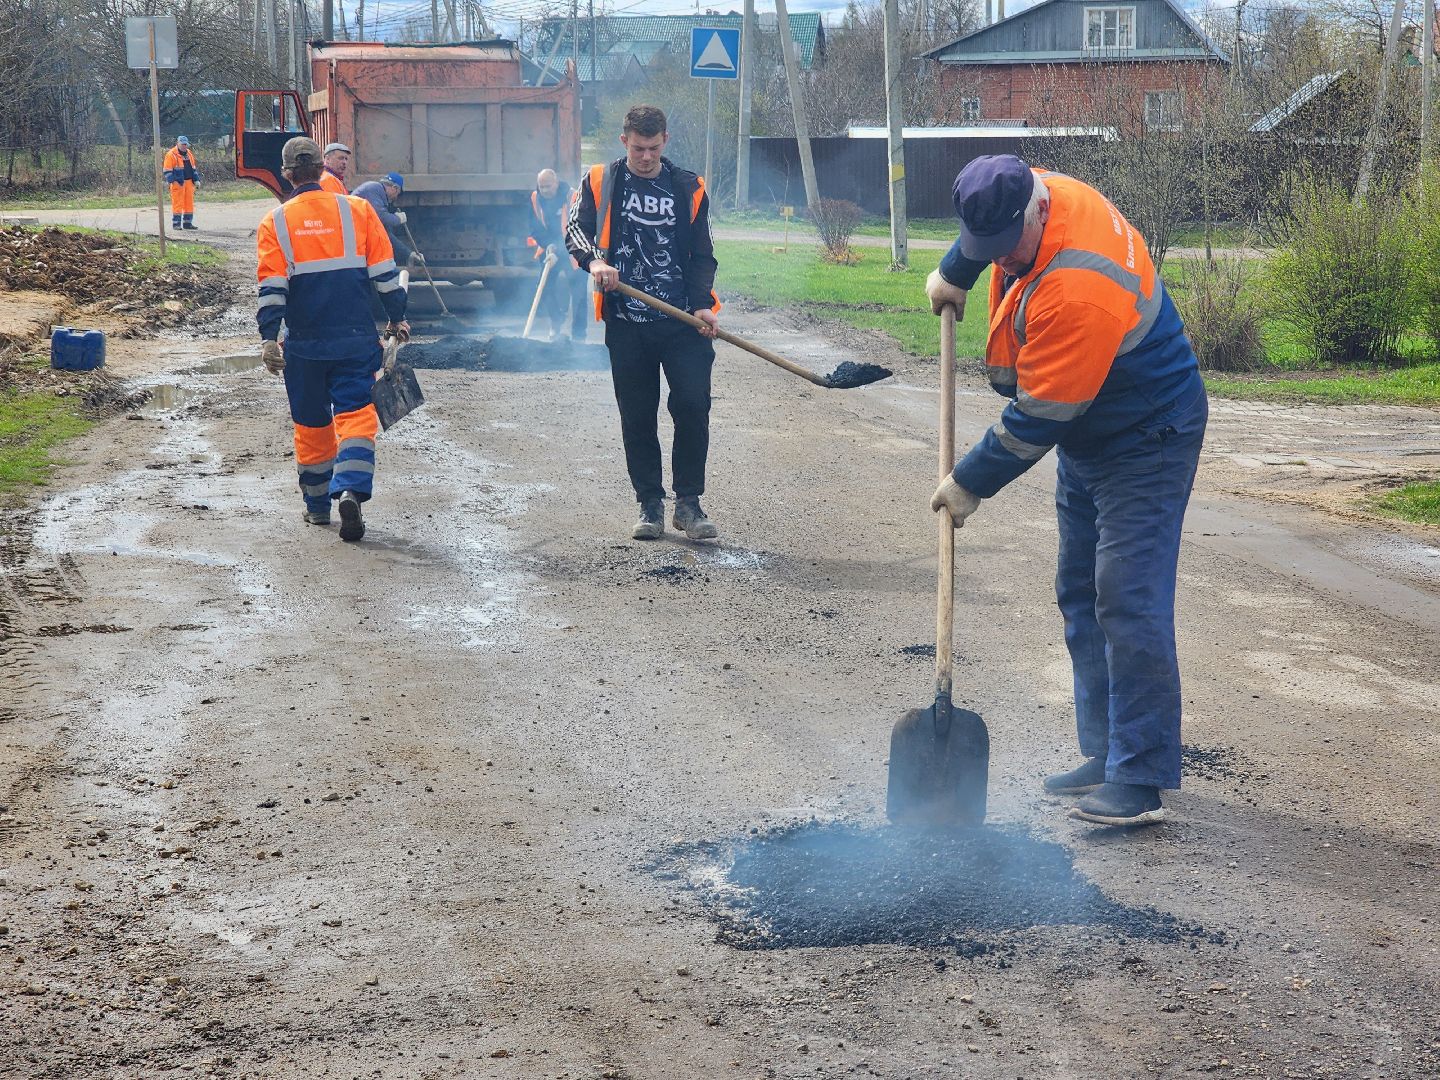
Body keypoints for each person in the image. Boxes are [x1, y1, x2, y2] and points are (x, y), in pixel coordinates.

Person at [924, 154, 1208, 828]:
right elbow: (985, 232)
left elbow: (1042, 416)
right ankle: (1107, 751)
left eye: (1004, 249)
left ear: (1036, 214)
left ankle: (1138, 778)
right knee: (1079, 588)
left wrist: (969, 482)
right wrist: (957, 270)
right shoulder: (1028, 189)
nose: (1004, 261)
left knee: (1126, 597)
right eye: (984, 249)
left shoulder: (1078, 281)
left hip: (1148, 432)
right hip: (1093, 428)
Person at [565, 104, 721, 541]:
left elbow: (703, 254)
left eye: (653, 148)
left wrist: (703, 305)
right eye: (638, 148)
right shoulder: (601, 180)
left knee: (692, 406)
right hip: (628, 322)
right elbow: (575, 229)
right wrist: (595, 261)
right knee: (637, 414)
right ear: (624, 142)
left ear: (665, 141)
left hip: (682, 323)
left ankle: (688, 505)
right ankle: (649, 503)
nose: (646, 156)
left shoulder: (689, 187)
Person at [255, 137, 409, 543]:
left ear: (287, 175)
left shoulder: (276, 222)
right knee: (356, 416)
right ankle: (350, 490)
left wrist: (269, 337)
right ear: (321, 169)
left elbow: (272, 288)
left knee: (311, 424)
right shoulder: (356, 210)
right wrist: (397, 318)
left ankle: (318, 507)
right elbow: (385, 274)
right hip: (356, 338)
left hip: (303, 345)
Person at [527, 168, 588, 341]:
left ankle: (578, 334)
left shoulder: (573, 197)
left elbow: (580, 229)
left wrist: (560, 249)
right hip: (549, 250)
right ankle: (556, 322)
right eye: (541, 187)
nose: (544, 191)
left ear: (556, 183)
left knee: (578, 293)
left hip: (575, 252)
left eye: (548, 186)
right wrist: (548, 246)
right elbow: (534, 227)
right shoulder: (534, 198)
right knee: (545, 287)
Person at [351, 171, 419, 267]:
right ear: (395, 188)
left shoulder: (377, 194)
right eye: (398, 194)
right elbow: (381, 217)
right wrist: (398, 219)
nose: (395, 198)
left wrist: (409, 254)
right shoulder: (373, 188)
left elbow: (386, 234)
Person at [162, 136, 201, 231]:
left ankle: (187, 223)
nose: (184, 146)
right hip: (178, 183)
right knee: (177, 204)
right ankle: (176, 224)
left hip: (189, 182)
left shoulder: (189, 154)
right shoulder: (171, 154)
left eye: (185, 144)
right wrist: (173, 181)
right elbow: (167, 170)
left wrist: (196, 180)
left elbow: (193, 168)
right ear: (178, 143)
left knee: (189, 203)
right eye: (182, 144)